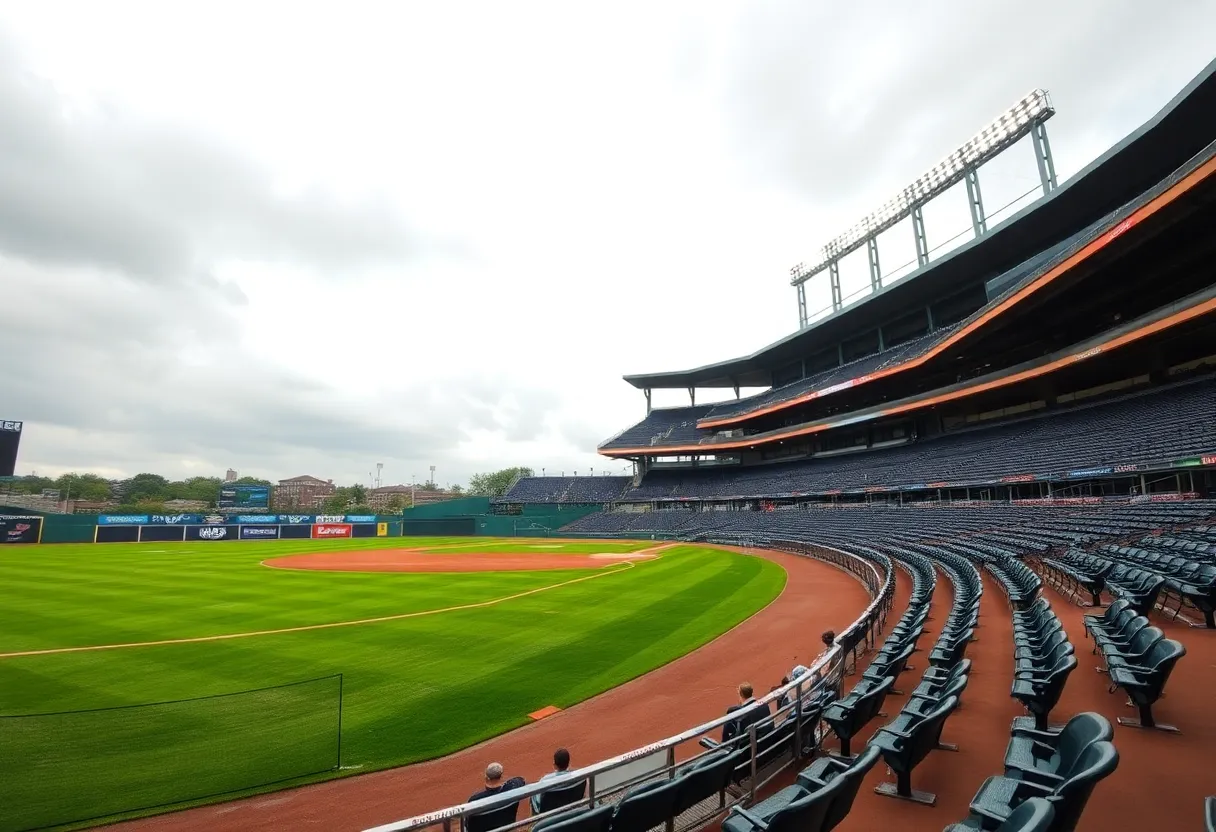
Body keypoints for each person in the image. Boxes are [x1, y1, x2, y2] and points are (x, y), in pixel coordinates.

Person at [530, 748, 572, 813]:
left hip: (549, 814)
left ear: (555, 765)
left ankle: (535, 821)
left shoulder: (545, 780)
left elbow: (538, 801)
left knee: (533, 797)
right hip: (570, 808)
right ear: (568, 762)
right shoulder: (578, 777)